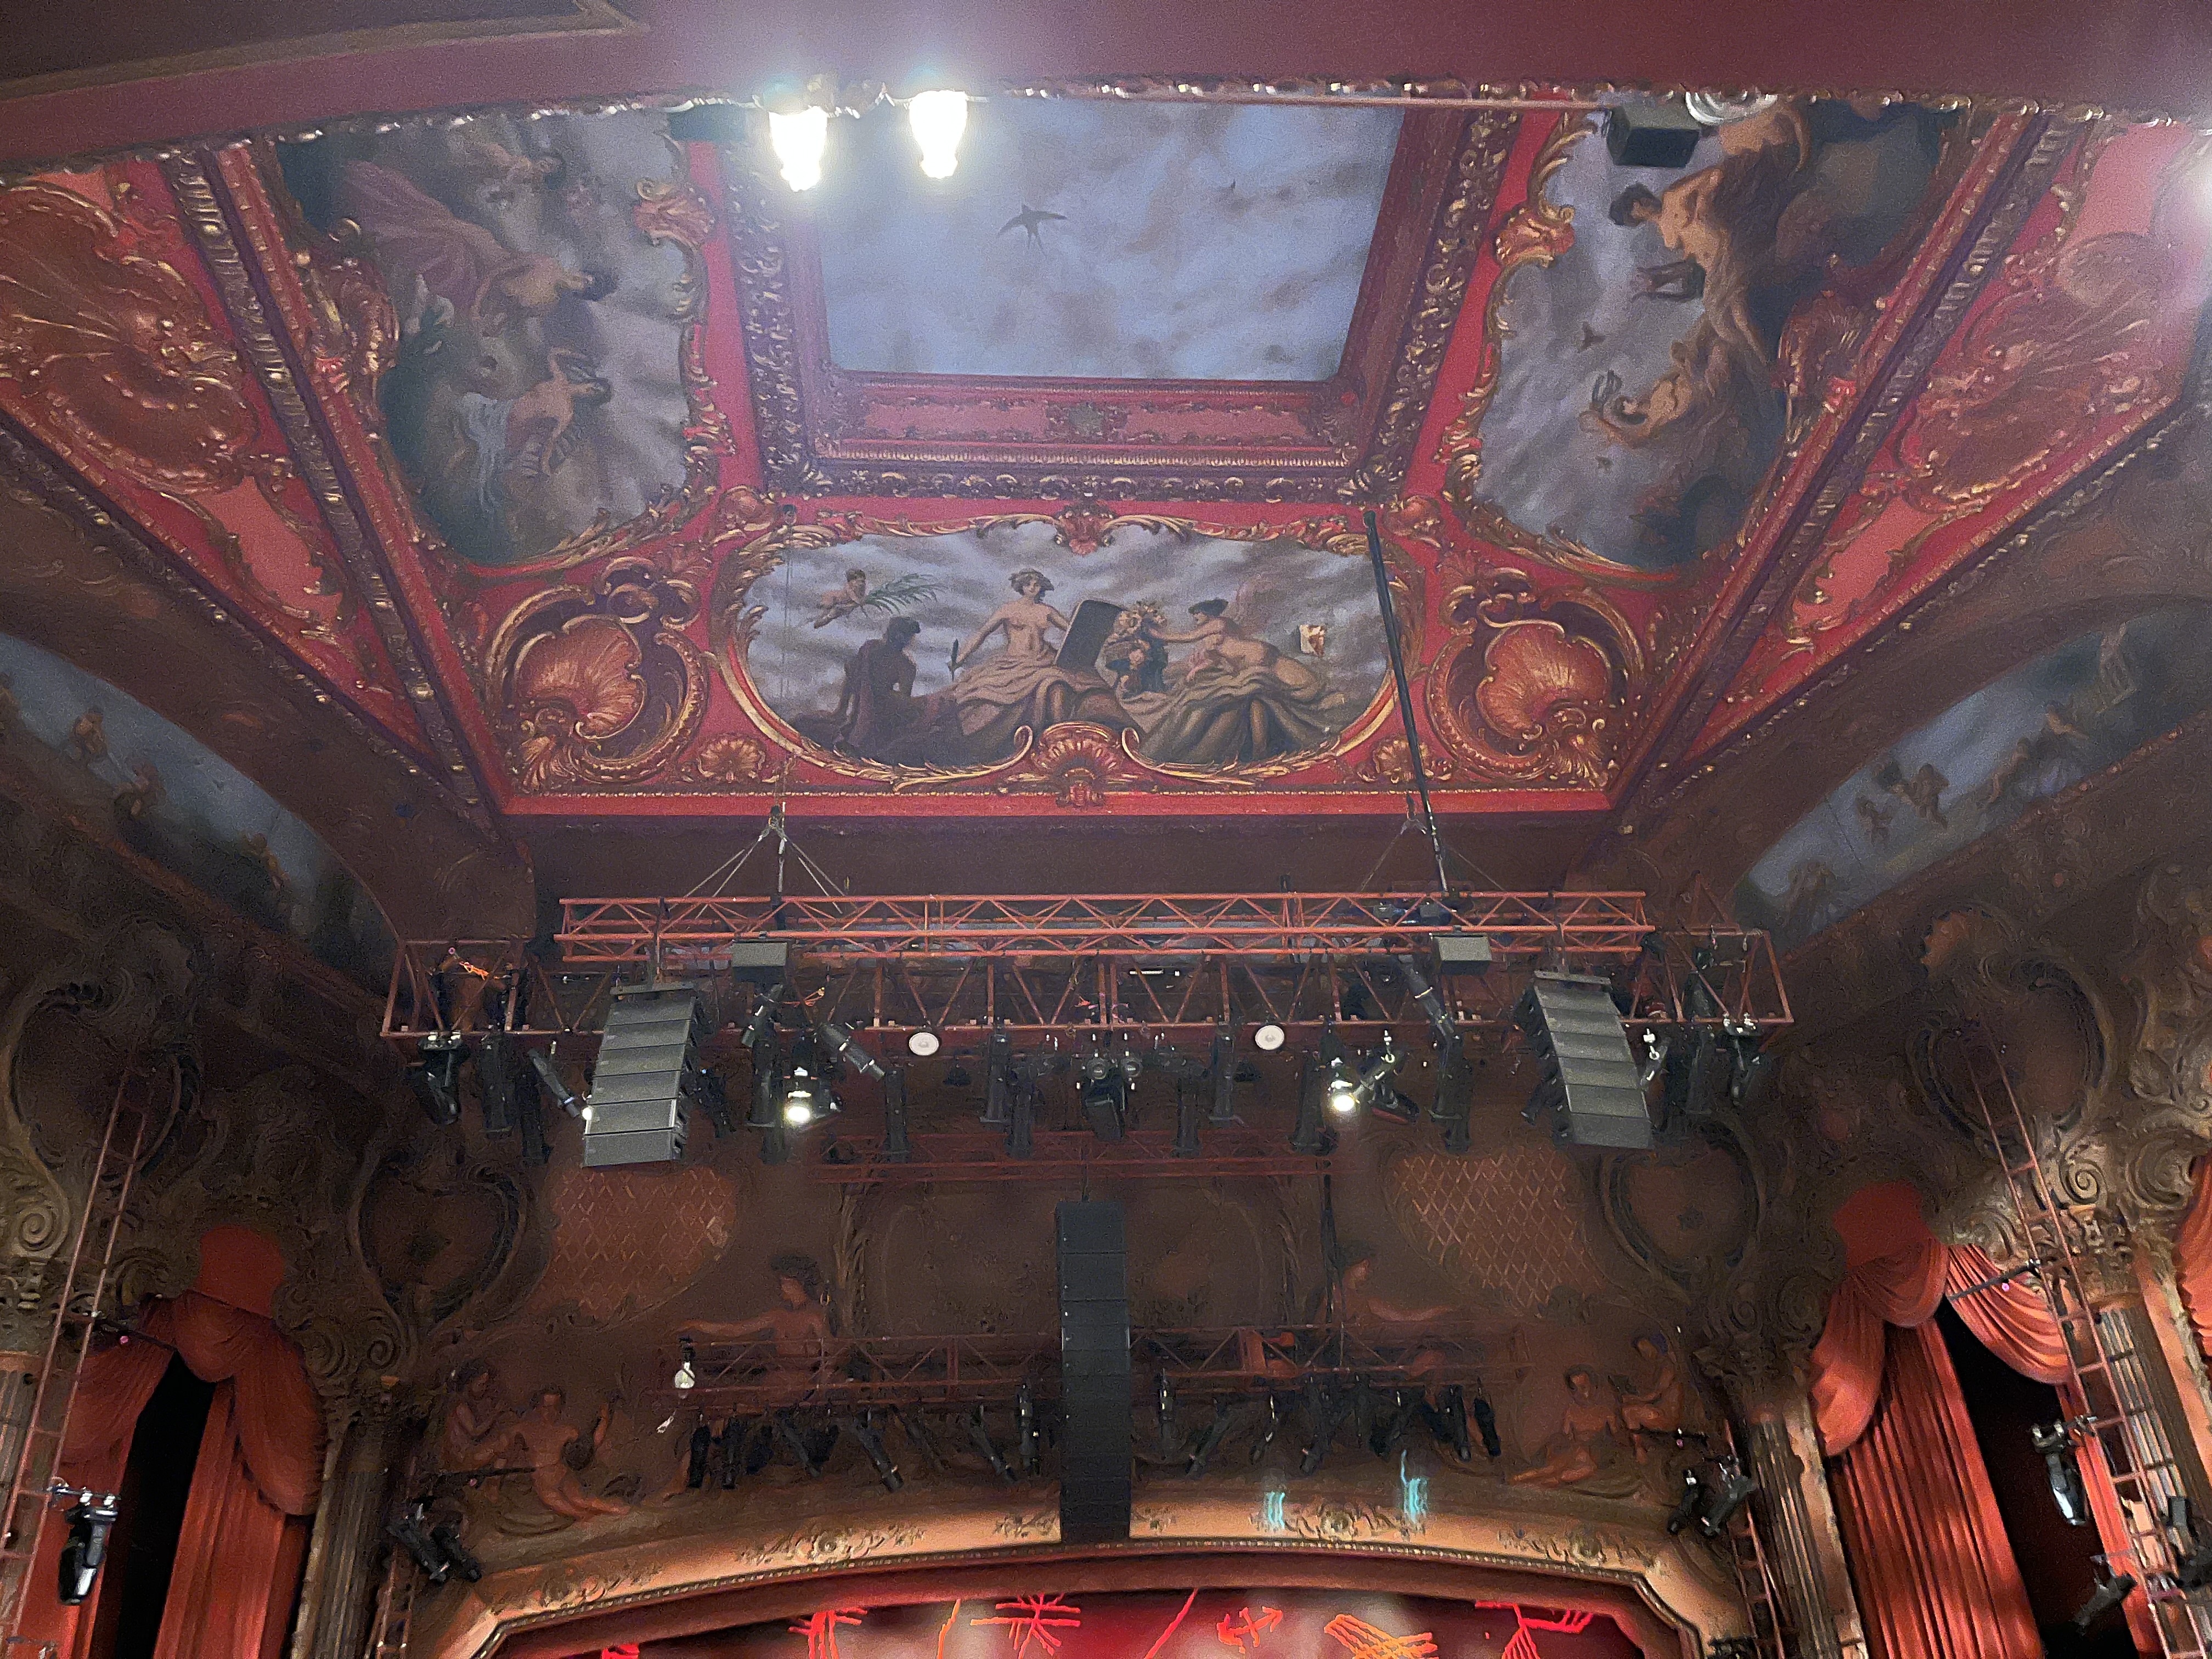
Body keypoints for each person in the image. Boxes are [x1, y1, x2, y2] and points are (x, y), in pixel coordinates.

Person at [946, 571, 1116, 757]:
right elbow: (982, 633)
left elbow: (1073, 631)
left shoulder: (1046, 611)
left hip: (1043, 660)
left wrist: (1102, 631)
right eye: (1028, 584)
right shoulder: (1008, 609)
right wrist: (960, 658)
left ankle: (1061, 739)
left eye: (1037, 584)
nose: (1033, 588)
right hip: (1014, 662)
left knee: (1059, 685)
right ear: (1021, 587)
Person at [832, 618, 954, 761]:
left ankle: (846, 720)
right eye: (911, 637)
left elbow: (852, 674)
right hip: (881, 706)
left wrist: (842, 708)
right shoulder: (906, 666)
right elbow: (904, 699)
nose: (912, 641)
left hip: (866, 702)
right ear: (901, 637)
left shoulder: (870, 648)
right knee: (934, 706)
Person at [500, 1386, 628, 1519]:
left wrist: (604, 1420)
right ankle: (587, 1518)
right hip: (543, 1481)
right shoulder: (523, 1430)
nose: (552, 1412)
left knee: (581, 1500)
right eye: (547, 1407)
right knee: (562, 1505)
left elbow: (590, 1446)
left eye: (556, 1407)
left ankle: (614, 1509)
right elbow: (503, 1450)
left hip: (564, 1475)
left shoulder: (567, 1431)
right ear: (537, 1408)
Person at [1509, 1367, 1627, 1488]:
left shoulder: (1605, 1412)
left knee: (1572, 1473)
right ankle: (1519, 1479)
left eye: (1583, 1388)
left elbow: (1617, 1438)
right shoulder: (1571, 1412)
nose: (1579, 1394)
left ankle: (1533, 1484)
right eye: (1574, 1389)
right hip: (1574, 1452)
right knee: (1552, 1468)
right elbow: (1566, 1436)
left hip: (1594, 1455)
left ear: (1594, 1387)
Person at [1617, 1335, 1686, 1459]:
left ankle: (1639, 1449)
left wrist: (1632, 1399)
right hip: (1662, 1411)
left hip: (1669, 1416)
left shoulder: (1667, 1367)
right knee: (1629, 1408)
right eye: (1642, 1352)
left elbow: (1655, 1395)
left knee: (1628, 1411)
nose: (1646, 1354)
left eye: (1647, 1349)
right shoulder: (1659, 1366)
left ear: (1656, 1347)